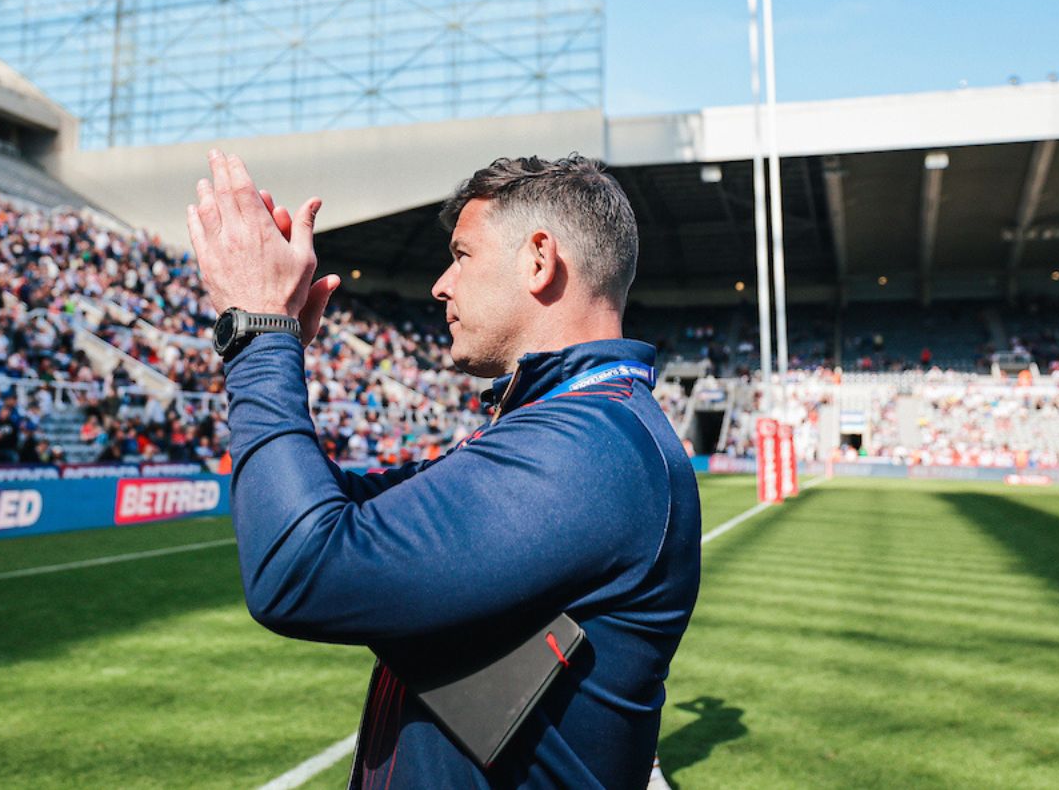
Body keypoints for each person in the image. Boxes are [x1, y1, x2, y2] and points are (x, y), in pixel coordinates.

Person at [186, 150, 700, 787]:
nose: (440, 285)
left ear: (538, 259)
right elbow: (315, 511)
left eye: (462, 255)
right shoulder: (574, 427)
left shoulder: (593, 444)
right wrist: (279, 343)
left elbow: (299, 569)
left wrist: (258, 335)